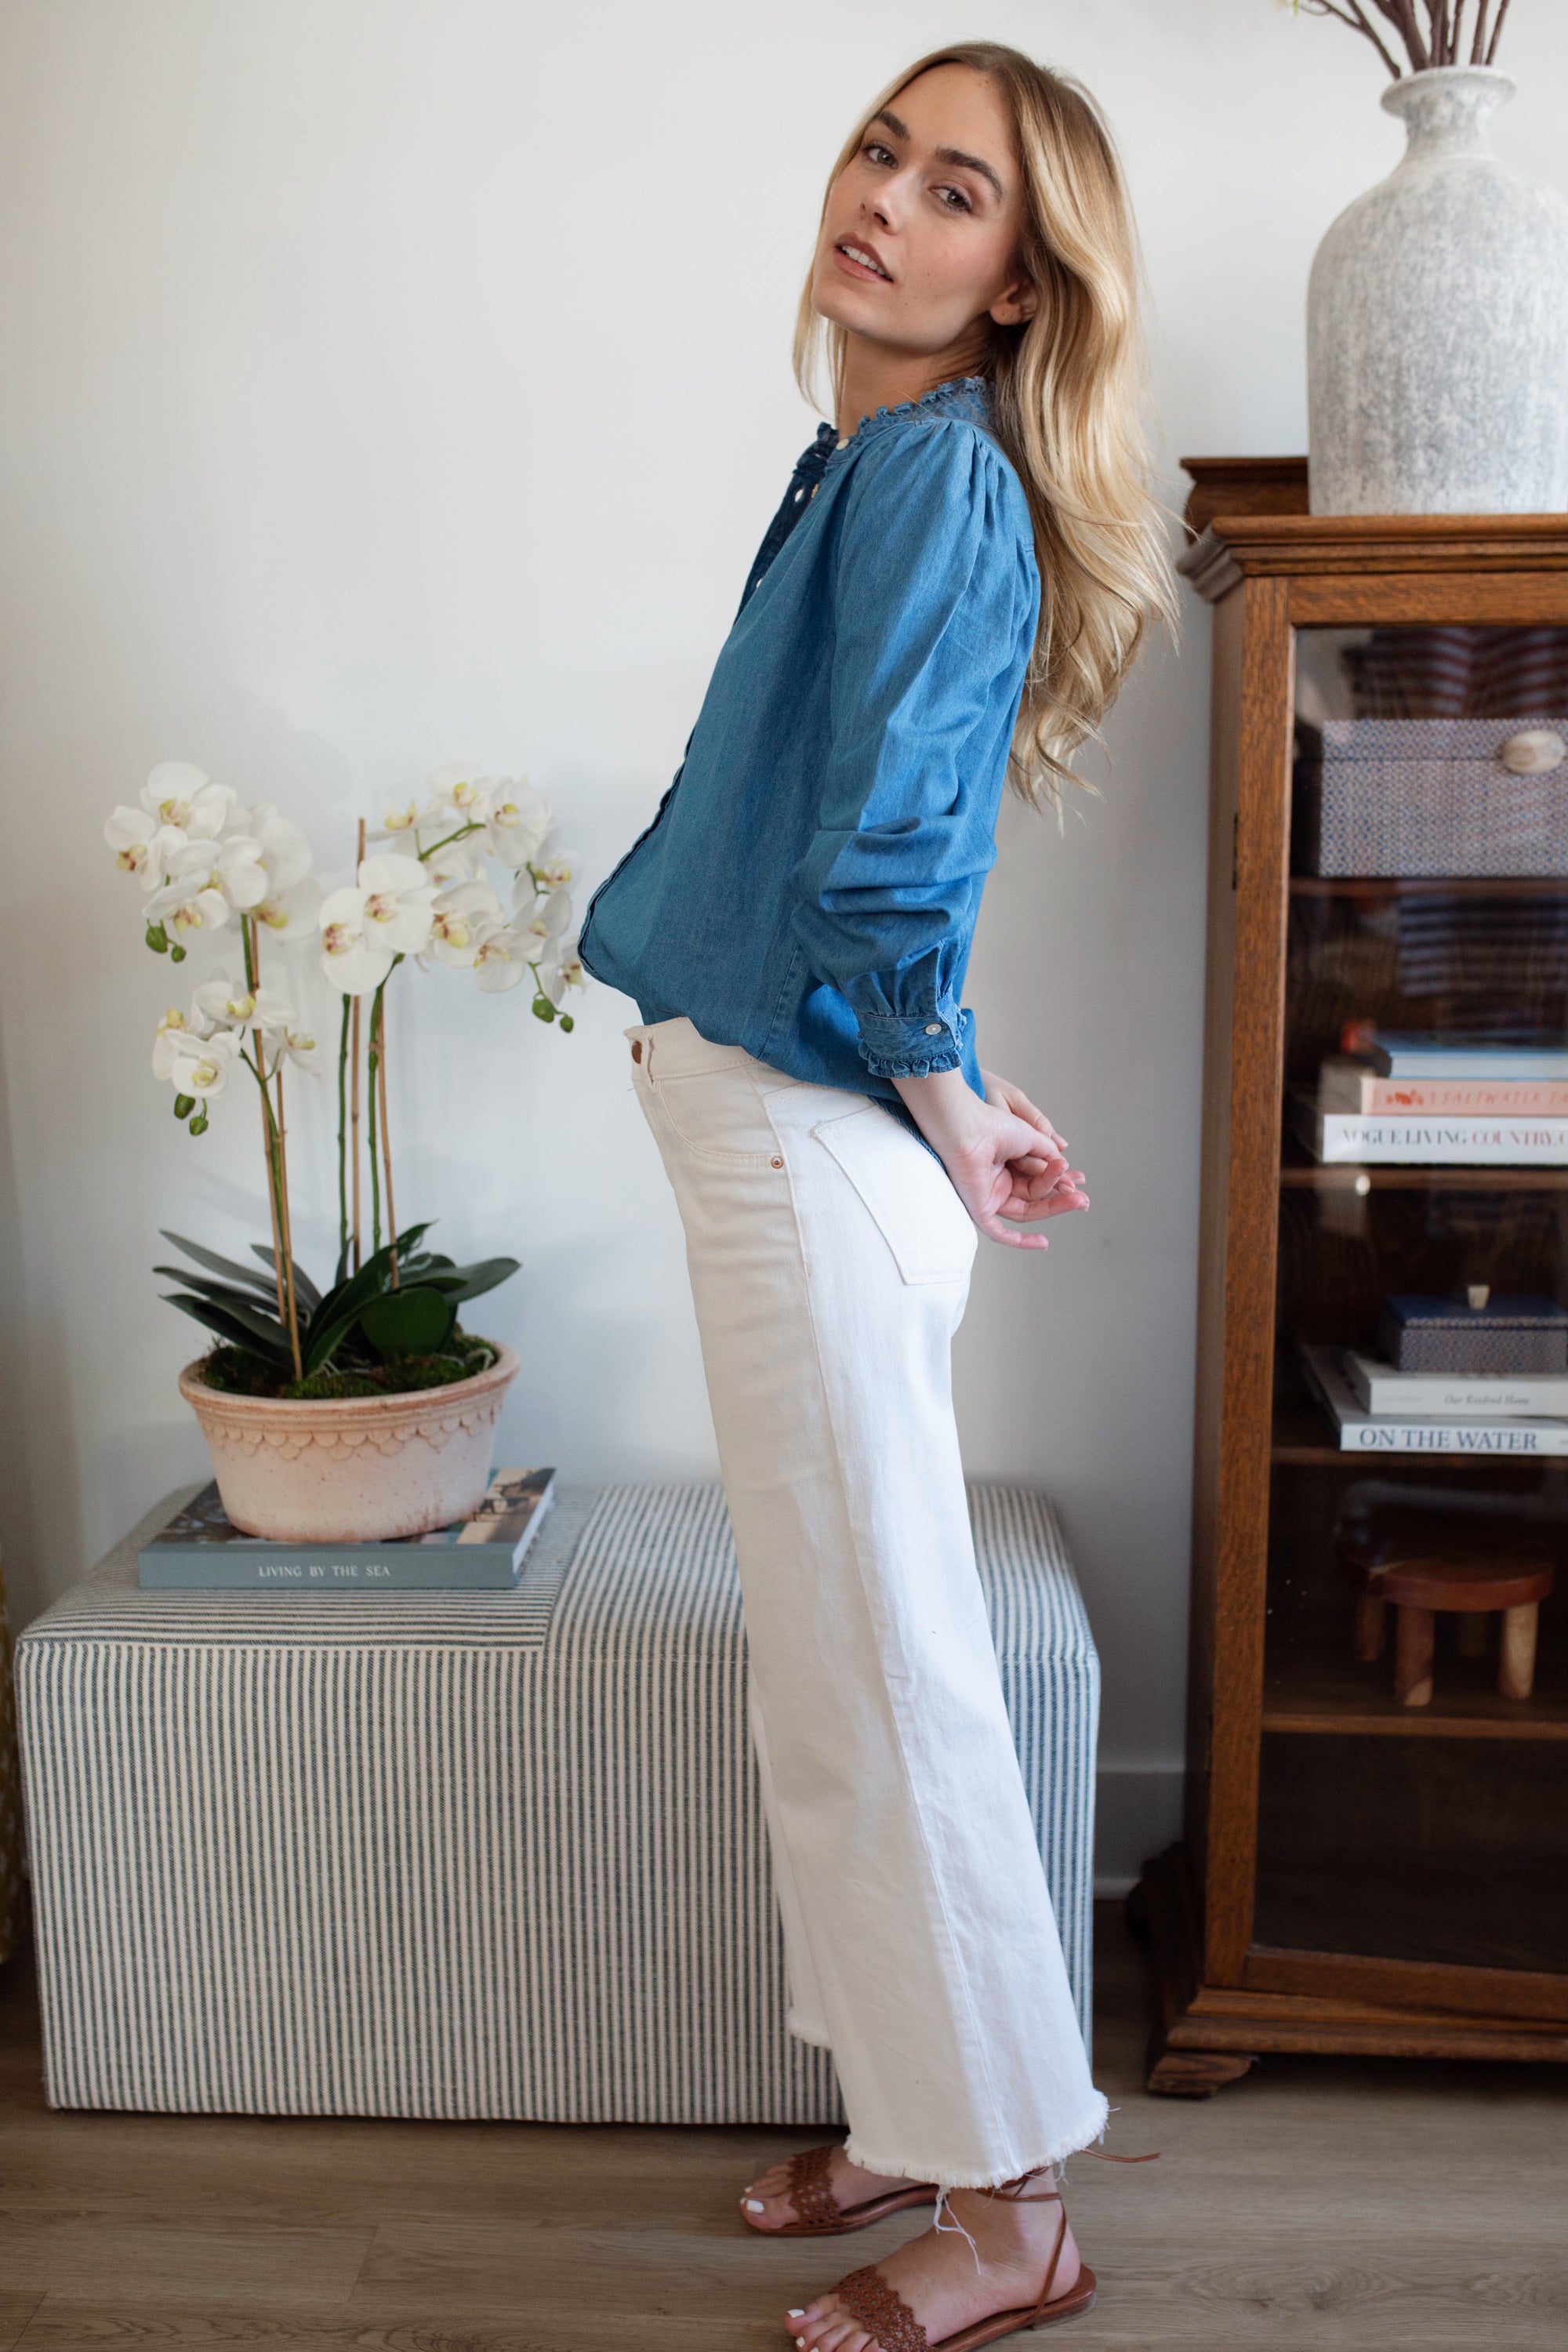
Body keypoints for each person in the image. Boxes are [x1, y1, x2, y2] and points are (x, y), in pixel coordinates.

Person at [577, 40, 1171, 2352]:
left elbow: (894, 854)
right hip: (789, 1124)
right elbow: (849, 845)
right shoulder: (867, 463)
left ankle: (1013, 2205)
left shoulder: (933, 479)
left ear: (1019, 284)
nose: (888, 202)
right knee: (829, 1686)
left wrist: (929, 1076)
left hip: (804, 1154)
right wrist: (962, 1083)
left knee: (887, 1689)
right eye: (880, 153)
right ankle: (920, 2121)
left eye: (956, 192)